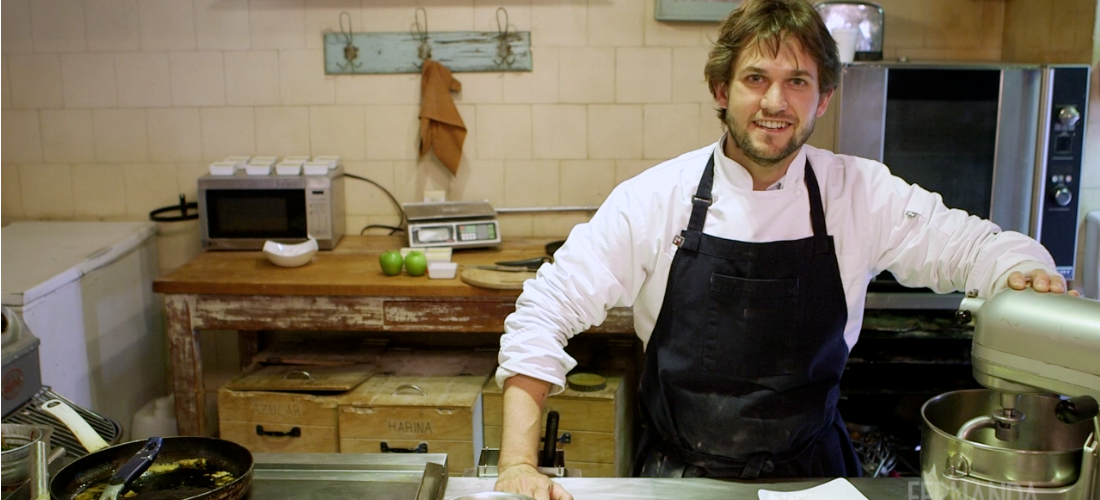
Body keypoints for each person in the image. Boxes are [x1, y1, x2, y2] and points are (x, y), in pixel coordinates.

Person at [493, 0, 1077, 498]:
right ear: (721, 90)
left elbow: (977, 247)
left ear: (822, 98)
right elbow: (545, 310)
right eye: (756, 79)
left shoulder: (860, 193)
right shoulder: (654, 198)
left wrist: (1023, 270)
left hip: (814, 479)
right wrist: (518, 464)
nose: (776, 101)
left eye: (797, 81)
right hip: (681, 479)